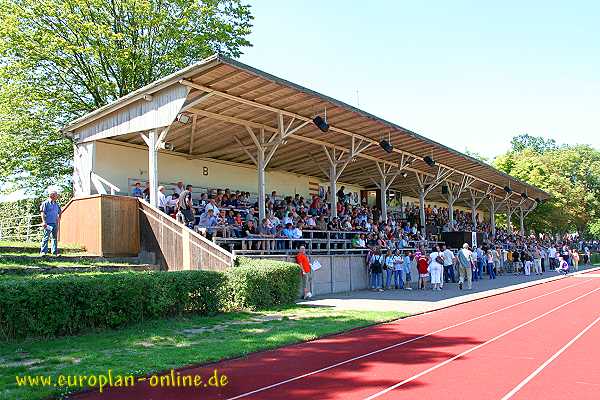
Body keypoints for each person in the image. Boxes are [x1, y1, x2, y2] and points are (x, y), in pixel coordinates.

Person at [40, 190, 61, 256]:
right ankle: (43, 252)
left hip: (55, 223)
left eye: (56, 195)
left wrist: (59, 219)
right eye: (55, 195)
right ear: (51, 195)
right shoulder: (45, 203)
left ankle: (54, 252)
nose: (57, 196)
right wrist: (44, 222)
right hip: (48, 223)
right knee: (46, 237)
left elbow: (59, 212)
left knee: (54, 238)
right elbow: (42, 213)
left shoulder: (57, 204)